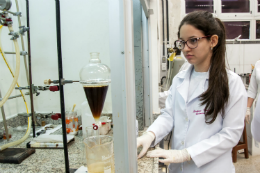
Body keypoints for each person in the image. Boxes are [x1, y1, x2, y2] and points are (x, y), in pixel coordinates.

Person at [137, 11, 247, 173]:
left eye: (193, 41)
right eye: (182, 42)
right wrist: (151, 134)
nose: (186, 48)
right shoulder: (181, 78)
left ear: (213, 41)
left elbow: (230, 135)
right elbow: (169, 115)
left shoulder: (231, 83)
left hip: (212, 168)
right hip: (178, 169)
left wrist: (186, 154)